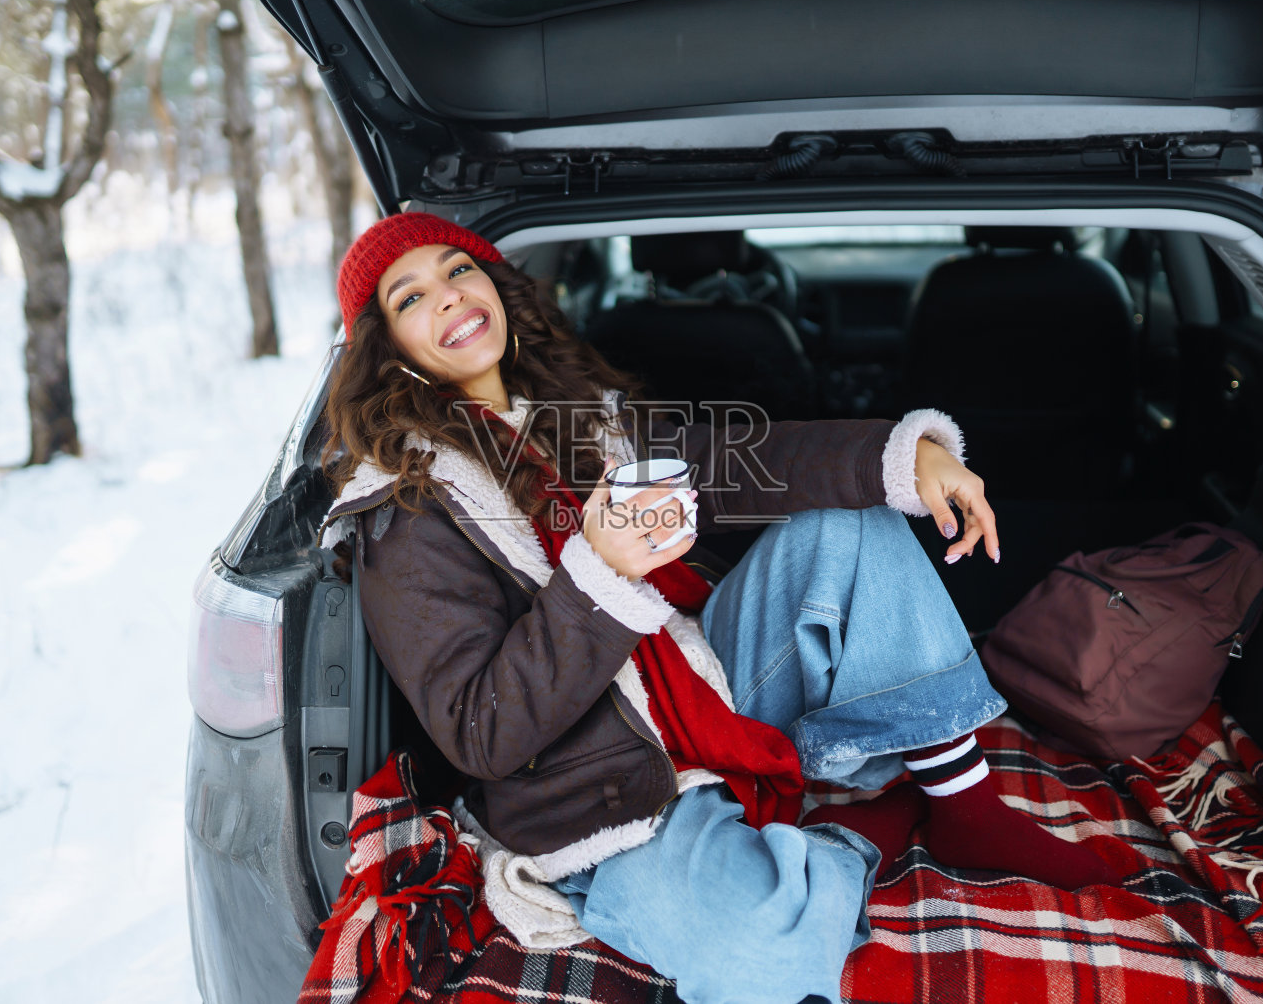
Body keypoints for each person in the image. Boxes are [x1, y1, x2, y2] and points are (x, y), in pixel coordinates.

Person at [317, 214, 1117, 1004]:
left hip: (699, 680)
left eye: (458, 269)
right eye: (409, 295)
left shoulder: (579, 411)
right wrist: (601, 571)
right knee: (757, 954)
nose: (449, 297)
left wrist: (906, 456)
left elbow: (737, 463)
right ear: (385, 350)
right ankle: (862, 830)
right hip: (596, 786)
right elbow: (481, 730)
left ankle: (964, 803)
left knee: (854, 522)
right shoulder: (408, 508)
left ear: (493, 284)